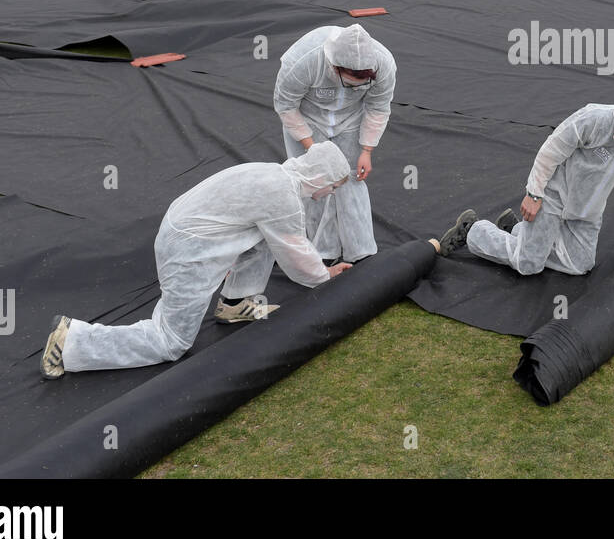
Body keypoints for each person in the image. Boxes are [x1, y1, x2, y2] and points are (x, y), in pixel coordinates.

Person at [40, 142, 374, 378]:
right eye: (333, 187)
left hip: (186, 232)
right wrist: (326, 276)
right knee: (170, 341)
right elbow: (296, 253)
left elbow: (281, 240)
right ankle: (73, 342)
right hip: (188, 251)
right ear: (320, 177)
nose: (329, 194)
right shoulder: (282, 197)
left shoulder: (274, 175)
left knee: (262, 239)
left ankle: (235, 303)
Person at [442, 100, 614, 278]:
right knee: (529, 264)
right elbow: (552, 150)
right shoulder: (594, 118)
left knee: (580, 264)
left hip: (588, 209)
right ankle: (474, 230)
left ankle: (520, 234)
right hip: (552, 196)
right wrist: (534, 192)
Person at [273, 24, 396, 265]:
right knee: (314, 182)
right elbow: (286, 105)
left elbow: (378, 108)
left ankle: (360, 252)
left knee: (351, 177)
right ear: (334, 67)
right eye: (350, 83)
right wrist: (313, 147)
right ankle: (322, 254)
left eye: (360, 85)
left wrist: (366, 150)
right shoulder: (304, 60)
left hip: (350, 119)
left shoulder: (384, 64)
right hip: (307, 118)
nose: (354, 88)